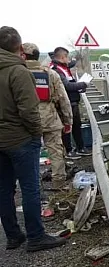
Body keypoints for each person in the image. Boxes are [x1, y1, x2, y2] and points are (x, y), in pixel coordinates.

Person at [0, 26, 66, 251]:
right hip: (20, 139)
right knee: (30, 188)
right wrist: (36, 133)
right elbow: (28, 110)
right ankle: (36, 236)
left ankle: (12, 235)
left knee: (4, 189)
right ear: (19, 48)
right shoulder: (19, 72)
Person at [22, 43, 73, 188]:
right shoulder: (50, 73)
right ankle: (59, 183)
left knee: (27, 152)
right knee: (56, 151)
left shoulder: (17, 73)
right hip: (50, 118)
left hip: (26, 119)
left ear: (23, 55)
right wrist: (68, 121)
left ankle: (31, 185)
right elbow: (63, 99)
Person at [49, 47, 88, 159]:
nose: (69, 60)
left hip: (73, 101)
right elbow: (67, 86)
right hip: (65, 103)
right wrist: (83, 84)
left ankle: (80, 147)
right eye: (68, 57)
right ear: (63, 57)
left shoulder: (64, 67)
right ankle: (68, 150)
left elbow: (71, 82)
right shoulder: (56, 69)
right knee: (67, 127)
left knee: (76, 125)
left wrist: (79, 88)